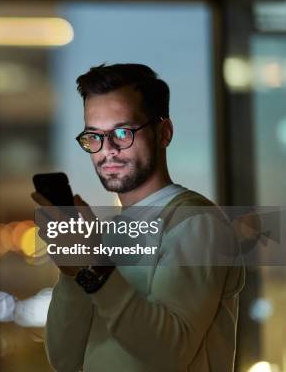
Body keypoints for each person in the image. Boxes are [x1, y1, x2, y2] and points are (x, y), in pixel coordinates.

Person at [32, 63, 245, 372]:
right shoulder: (106, 236)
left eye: (122, 132)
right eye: (94, 136)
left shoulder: (196, 221)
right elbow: (65, 358)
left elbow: (169, 352)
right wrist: (73, 271)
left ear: (164, 132)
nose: (108, 150)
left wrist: (95, 267)